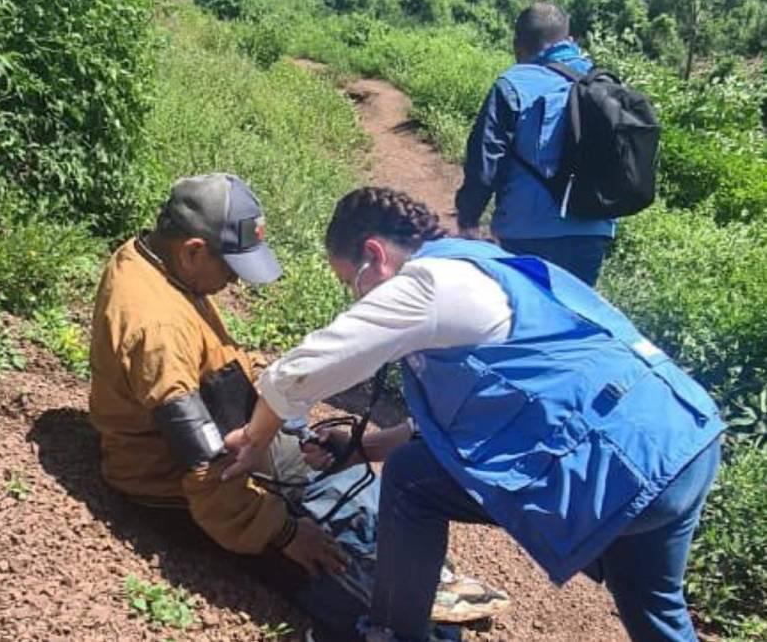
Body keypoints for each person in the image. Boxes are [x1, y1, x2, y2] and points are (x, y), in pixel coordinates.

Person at [223, 186, 724, 642]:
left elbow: (303, 370)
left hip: (621, 465)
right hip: (683, 441)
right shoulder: (484, 265)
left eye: (350, 283)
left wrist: (256, 438)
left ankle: (389, 636)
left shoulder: (427, 284)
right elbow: (475, 415)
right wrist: (363, 447)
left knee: (411, 482)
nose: (356, 297)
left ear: (374, 255)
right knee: (653, 606)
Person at [88, 174, 498, 642]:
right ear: (195, 250)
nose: (232, 283)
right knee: (334, 572)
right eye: (231, 269)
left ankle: (414, 574)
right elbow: (207, 469)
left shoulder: (160, 261)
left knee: (345, 477)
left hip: (232, 436)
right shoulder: (157, 328)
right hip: (182, 488)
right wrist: (283, 534)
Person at [456, 2, 615, 286]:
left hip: (526, 232)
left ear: (518, 46)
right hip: (592, 232)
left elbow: (484, 161)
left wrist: (468, 219)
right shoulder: (603, 84)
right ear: (571, 40)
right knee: (575, 320)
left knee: (528, 320)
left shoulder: (513, 84)